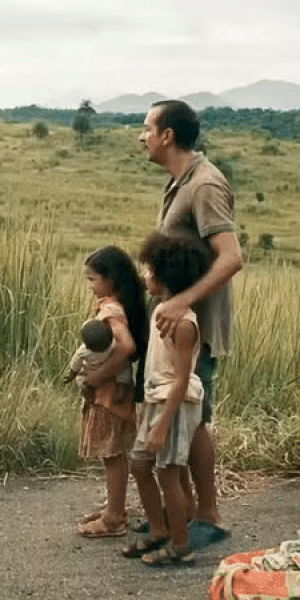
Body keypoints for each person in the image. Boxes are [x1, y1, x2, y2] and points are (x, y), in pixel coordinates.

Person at [139, 99, 242, 550]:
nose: (141, 136)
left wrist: (182, 301)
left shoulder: (203, 185)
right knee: (185, 415)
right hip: (178, 324)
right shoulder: (181, 181)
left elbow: (232, 257)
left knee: (195, 418)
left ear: (167, 135)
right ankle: (180, 513)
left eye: (147, 128)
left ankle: (208, 516)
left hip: (195, 328)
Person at [124, 232, 211, 566]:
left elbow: (181, 379)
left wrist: (161, 424)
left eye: (148, 270)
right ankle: (159, 530)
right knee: (140, 465)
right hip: (156, 400)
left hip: (174, 404)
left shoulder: (183, 324)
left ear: (164, 275)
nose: (144, 276)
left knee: (168, 473)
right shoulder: (162, 309)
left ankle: (180, 544)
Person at [72, 245, 147, 539]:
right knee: (114, 451)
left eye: (93, 279)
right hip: (115, 387)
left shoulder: (111, 310)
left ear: (110, 279)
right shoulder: (118, 305)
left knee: (112, 452)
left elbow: (126, 347)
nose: (89, 286)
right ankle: (114, 508)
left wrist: (98, 376)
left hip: (110, 390)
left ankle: (114, 517)